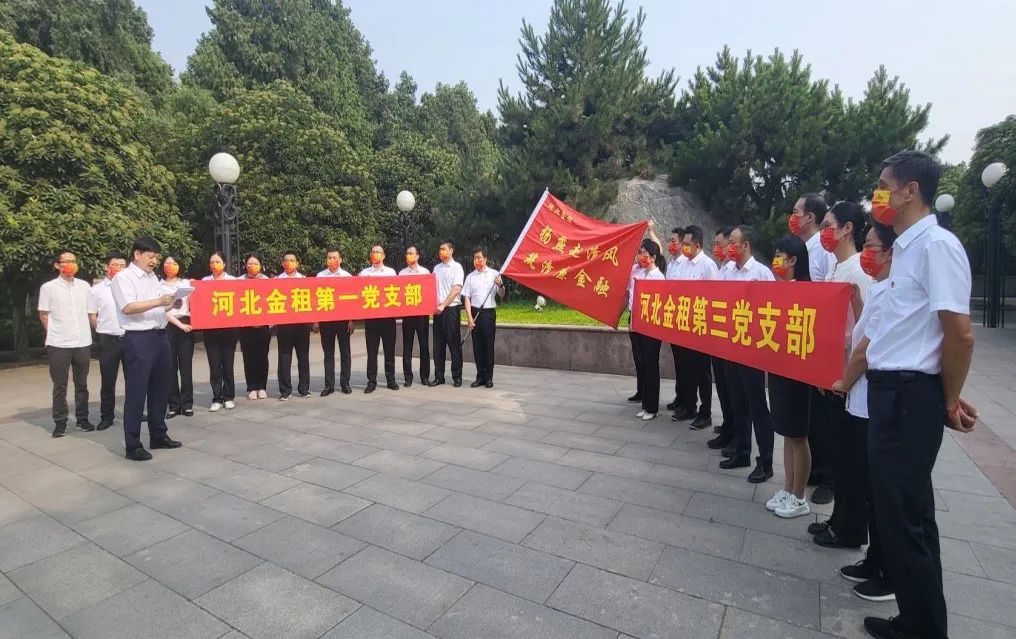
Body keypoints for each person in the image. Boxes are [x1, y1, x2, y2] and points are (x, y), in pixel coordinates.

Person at [859, 151, 976, 639]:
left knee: (904, 518)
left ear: (910, 191)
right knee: (906, 515)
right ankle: (920, 622)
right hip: (892, 392)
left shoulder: (937, 247)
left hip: (910, 397)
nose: (878, 195)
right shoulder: (907, 248)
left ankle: (922, 629)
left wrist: (948, 399)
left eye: (885, 185)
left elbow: (959, 334)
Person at [830, 221, 898, 604]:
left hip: (871, 401)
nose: (866, 253)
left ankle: (888, 572)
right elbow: (861, 330)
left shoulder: (893, 292)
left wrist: (843, 381)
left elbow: (863, 351)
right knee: (868, 489)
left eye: (872, 247)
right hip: (859, 401)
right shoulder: (878, 288)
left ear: (891, 252)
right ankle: (874, 559)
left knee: (879, 492)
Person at [810, 201, 874, 549]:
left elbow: (864, 330)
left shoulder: (859, 272)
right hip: (833, 373)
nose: (824, 232)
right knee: (837, 450)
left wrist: (845, 377)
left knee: (850, 459)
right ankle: (838, 521)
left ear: (847, 229)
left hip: (851, 378)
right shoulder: (836, 269)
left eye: (828, 225)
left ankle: (850, 528)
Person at [111, 237, 182, 461]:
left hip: (160, 336)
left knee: (160, 388)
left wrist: (173, 303)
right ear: (137, 255)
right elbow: (128, 307)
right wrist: (160, 302)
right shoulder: (123, 278)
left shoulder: (153, 278)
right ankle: (132, 445)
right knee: (137, 392)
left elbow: (159, 307)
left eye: (156, 258)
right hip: (139, 339)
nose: (154, 261)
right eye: (150, 256)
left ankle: (158, 434)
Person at [719, 225, 776, 483]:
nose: (729, 247)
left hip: (752, 351)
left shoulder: (762, 273)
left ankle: (766, 461)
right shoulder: (727, 271)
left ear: (746, 245)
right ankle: (741, 451)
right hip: (731, 347)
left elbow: (773, 310)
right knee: (738, 403)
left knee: (757, 406)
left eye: (733, 242)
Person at [791, 193, 838, 505]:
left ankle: (830, 477)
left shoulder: (823, 250)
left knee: (825, 413)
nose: (792, 216)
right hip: (804, 337)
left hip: (821, 340)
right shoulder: (803, 248)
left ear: (810, 217)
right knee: (811, 412)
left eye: (796, 212)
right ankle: (816, 468)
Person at [764, 235, 813, 518]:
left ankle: (799, 496)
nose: (776, 261)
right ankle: (787, 488)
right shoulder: (778, 288)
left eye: (780, 256)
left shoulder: (806, 291)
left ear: (794, 259)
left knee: (798, 435)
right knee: (785, 431)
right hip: (779, 368)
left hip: (797, 372)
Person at [38, 250, 95, 437]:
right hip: (59, 343)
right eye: (66, 261)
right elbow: (44, 314)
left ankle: (82, 419)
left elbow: (90, 312)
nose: (70, 264)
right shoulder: (48, 288)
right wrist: (55, 332)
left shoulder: (84, 286)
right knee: (60, 386)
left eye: (73, 261)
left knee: (82, 384)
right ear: (57, 265)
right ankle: (60, 422)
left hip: (82, 342)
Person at [672, 225, 719, 429]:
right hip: (684, 324)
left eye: (687, 244)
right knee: (687, 368)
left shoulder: (708, 265)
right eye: (683, 244)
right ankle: (689, 406)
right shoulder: (683, 264)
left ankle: (705, 412)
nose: (684, 247)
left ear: (698, 245)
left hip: (701, 326)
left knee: (702, 372)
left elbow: (715, 298)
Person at [88, 251, 127, 430]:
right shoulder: (96, 290)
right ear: (106, 267)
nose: (119, 269)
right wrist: (102, 329)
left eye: (122, 266)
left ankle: (133, 412)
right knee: (108, 381)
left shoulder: (129, 287)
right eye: (115, 265)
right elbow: (92, 315)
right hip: (108, 340)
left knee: (133, 379)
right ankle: (107, 416)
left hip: (129, 337)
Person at [707, 227, 736, 450]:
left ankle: (737, 437)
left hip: (734, 340)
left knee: (736, 394)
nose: (716, 248)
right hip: (718, 337)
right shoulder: (723, 268)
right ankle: (728, 427)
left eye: (720, 244)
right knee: (724, 389)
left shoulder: (751, 271)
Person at [631, 242, 666, 420]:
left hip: (652, 328)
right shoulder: (641, 274)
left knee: (651, 366)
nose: (641, 256)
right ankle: (645, 404)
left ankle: (652, 407)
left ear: (653, 257)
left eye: (645, 254)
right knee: (643, 364)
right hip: (638, 324)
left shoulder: (658, 277)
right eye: (640, 253)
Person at [201, 252, 238, 412]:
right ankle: (217, 398)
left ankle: (229, 396)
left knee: (228, 364)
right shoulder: (204, 282)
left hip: (229, 329)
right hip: (211, 330)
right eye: (212, 262)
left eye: (217, 262)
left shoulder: (233, 281)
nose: (214, 265)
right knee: (214, 365)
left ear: (224, 264)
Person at [463, 249, 505, 388]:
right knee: (477, 346)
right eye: (475, 258)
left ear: (486, 259)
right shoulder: (470, 277)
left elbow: (502, 294)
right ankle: (480, 376)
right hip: (475, 313)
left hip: (488, 313)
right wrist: (469, 317)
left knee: (488, 345)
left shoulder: (494, 274)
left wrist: (500, 285)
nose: (477, 261)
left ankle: (488, 377)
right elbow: (467, 298)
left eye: (479, 258)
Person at [360, 245, 399, 393]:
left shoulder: (391, 272)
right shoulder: (364, 274)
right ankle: (371, 381)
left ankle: (391, 380)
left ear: (383, 256)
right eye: (373, 252)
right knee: (372, 352)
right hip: (371, 318)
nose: (375, 254)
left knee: (389, 350)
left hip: (388, 318)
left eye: (378, 252)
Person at [317, 248, 354, 396]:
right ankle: (329, 385)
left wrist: (351, 320)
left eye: (334, 257)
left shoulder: (347, 276)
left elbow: (352, 300)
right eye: (329, 258)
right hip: (326, 320)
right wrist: (316, 321)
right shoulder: (320, 276)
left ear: (341, 260)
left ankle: (345, 383)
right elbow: (315, 299)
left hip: (343, 320)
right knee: (328, 354)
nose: (332, 260)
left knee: (345, 353)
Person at [275, 252, 312, 400]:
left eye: (292, 260)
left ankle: (304, 389)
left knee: (303, 357)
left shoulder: (304, 280)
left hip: (301, 325)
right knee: (284, 357)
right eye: (286, 260)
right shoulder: (276, 281)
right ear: (282, 263)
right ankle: (285, 390)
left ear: (297, 263)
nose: (288, 263)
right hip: (284, 325)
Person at [162, 255, 195, 418]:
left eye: (174, 263)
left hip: (186, 324)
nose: (171, 266)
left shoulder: (186, 284)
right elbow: (161, 311)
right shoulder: (158, 285)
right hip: (168, 325)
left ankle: (187, 404)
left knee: (186, 366)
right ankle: (173, 405)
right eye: (168, 263)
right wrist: (179, 325)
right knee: (170, 367)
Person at [432, 241, 465, 387]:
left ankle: (457, 376)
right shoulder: (436, 268)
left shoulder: (457, 267)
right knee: (438, 345)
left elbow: (456, 289)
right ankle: (439, 376)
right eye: (440, 249)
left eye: (444, 249)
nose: (441, 252)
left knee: (454, 344)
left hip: (451, 309)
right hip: (437, 311)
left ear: (451, 250)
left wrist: (443, 305)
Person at [239, 254, 271, 400]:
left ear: (261, 265)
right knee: (248, 357)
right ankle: (252, 387)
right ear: (245, 266)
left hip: (263, 326)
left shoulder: (267, 281)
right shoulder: (239, 281)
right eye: (250, 264)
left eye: (255, 263)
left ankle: (262, 386)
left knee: (262, 357)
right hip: (246, 326)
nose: (252, 266)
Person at [399, 246, 431, 387]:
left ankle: (425, 376)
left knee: (424, 345)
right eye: (407, 253)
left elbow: (428, 292)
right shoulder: (401, 274)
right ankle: (408, 377)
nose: (409, 255)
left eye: (411, 253)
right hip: (407, 314)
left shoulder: (425, 272)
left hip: (422, 315)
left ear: (417, 256)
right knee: (407, 346)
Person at [663, 226, 685, 411]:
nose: (671, 244)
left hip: (689, 321)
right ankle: (680, 397)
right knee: (678, 363)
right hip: (674, 319)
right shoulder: (671, 265)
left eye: (674, 241)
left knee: (689, 366)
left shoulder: (688, 263)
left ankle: (689, 403)